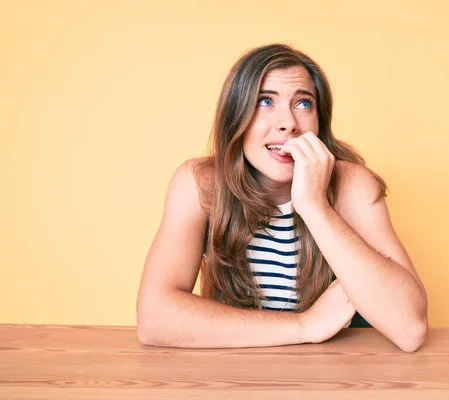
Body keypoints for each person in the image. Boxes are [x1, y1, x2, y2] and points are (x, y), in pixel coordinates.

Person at [136, 43, 428, 352]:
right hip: (237, 366)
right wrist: (305, 326)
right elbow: (155, 319)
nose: (288, 122)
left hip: (337, 371)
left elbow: (409, 329)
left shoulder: (350, 185)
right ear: (236, 116)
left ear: (319, 123)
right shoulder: (200, 185)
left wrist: (315, 207)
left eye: (303, 104)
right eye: (265, 101)